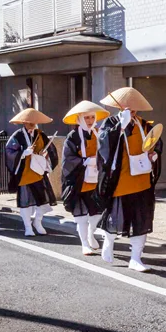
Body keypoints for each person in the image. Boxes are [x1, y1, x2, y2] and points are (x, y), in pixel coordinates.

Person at [96, 88, 162, 272]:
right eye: (128, 108)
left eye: (134, 109)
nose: (131, 112)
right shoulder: (110, 122)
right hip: (121, 179)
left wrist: (154, 155)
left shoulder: (144, 125)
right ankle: (108, 242)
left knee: (142, 219)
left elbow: (156, 143)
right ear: (121, 107)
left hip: (142, 180)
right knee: (116, 217)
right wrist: (120, 127)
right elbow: (103, 146)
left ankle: (136, 258)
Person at [60, 100, 110, 255]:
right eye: (86, 118)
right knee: (81, 216)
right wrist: (85, 161)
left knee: (97, 214)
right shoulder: (73, 137)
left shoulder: (99, 133)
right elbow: (67, 159)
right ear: (80, 119)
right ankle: (84, 244)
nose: (90, 121)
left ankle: (90, 233)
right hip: (79, 181)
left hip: (97, 180)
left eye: (92, 118)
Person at [5, 108, 59, 237]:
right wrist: (22, 153)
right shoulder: (17, 136)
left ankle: (37, 222)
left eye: (34, 122)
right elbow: (9, 151)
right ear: (23, 122)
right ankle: (27, 226)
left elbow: (51, 149)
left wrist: (46, 155)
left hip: (38, 173)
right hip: (24, 173)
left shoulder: (41, 134)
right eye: (29, 122)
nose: (32, 124)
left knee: (43, 200)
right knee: (25, 202)